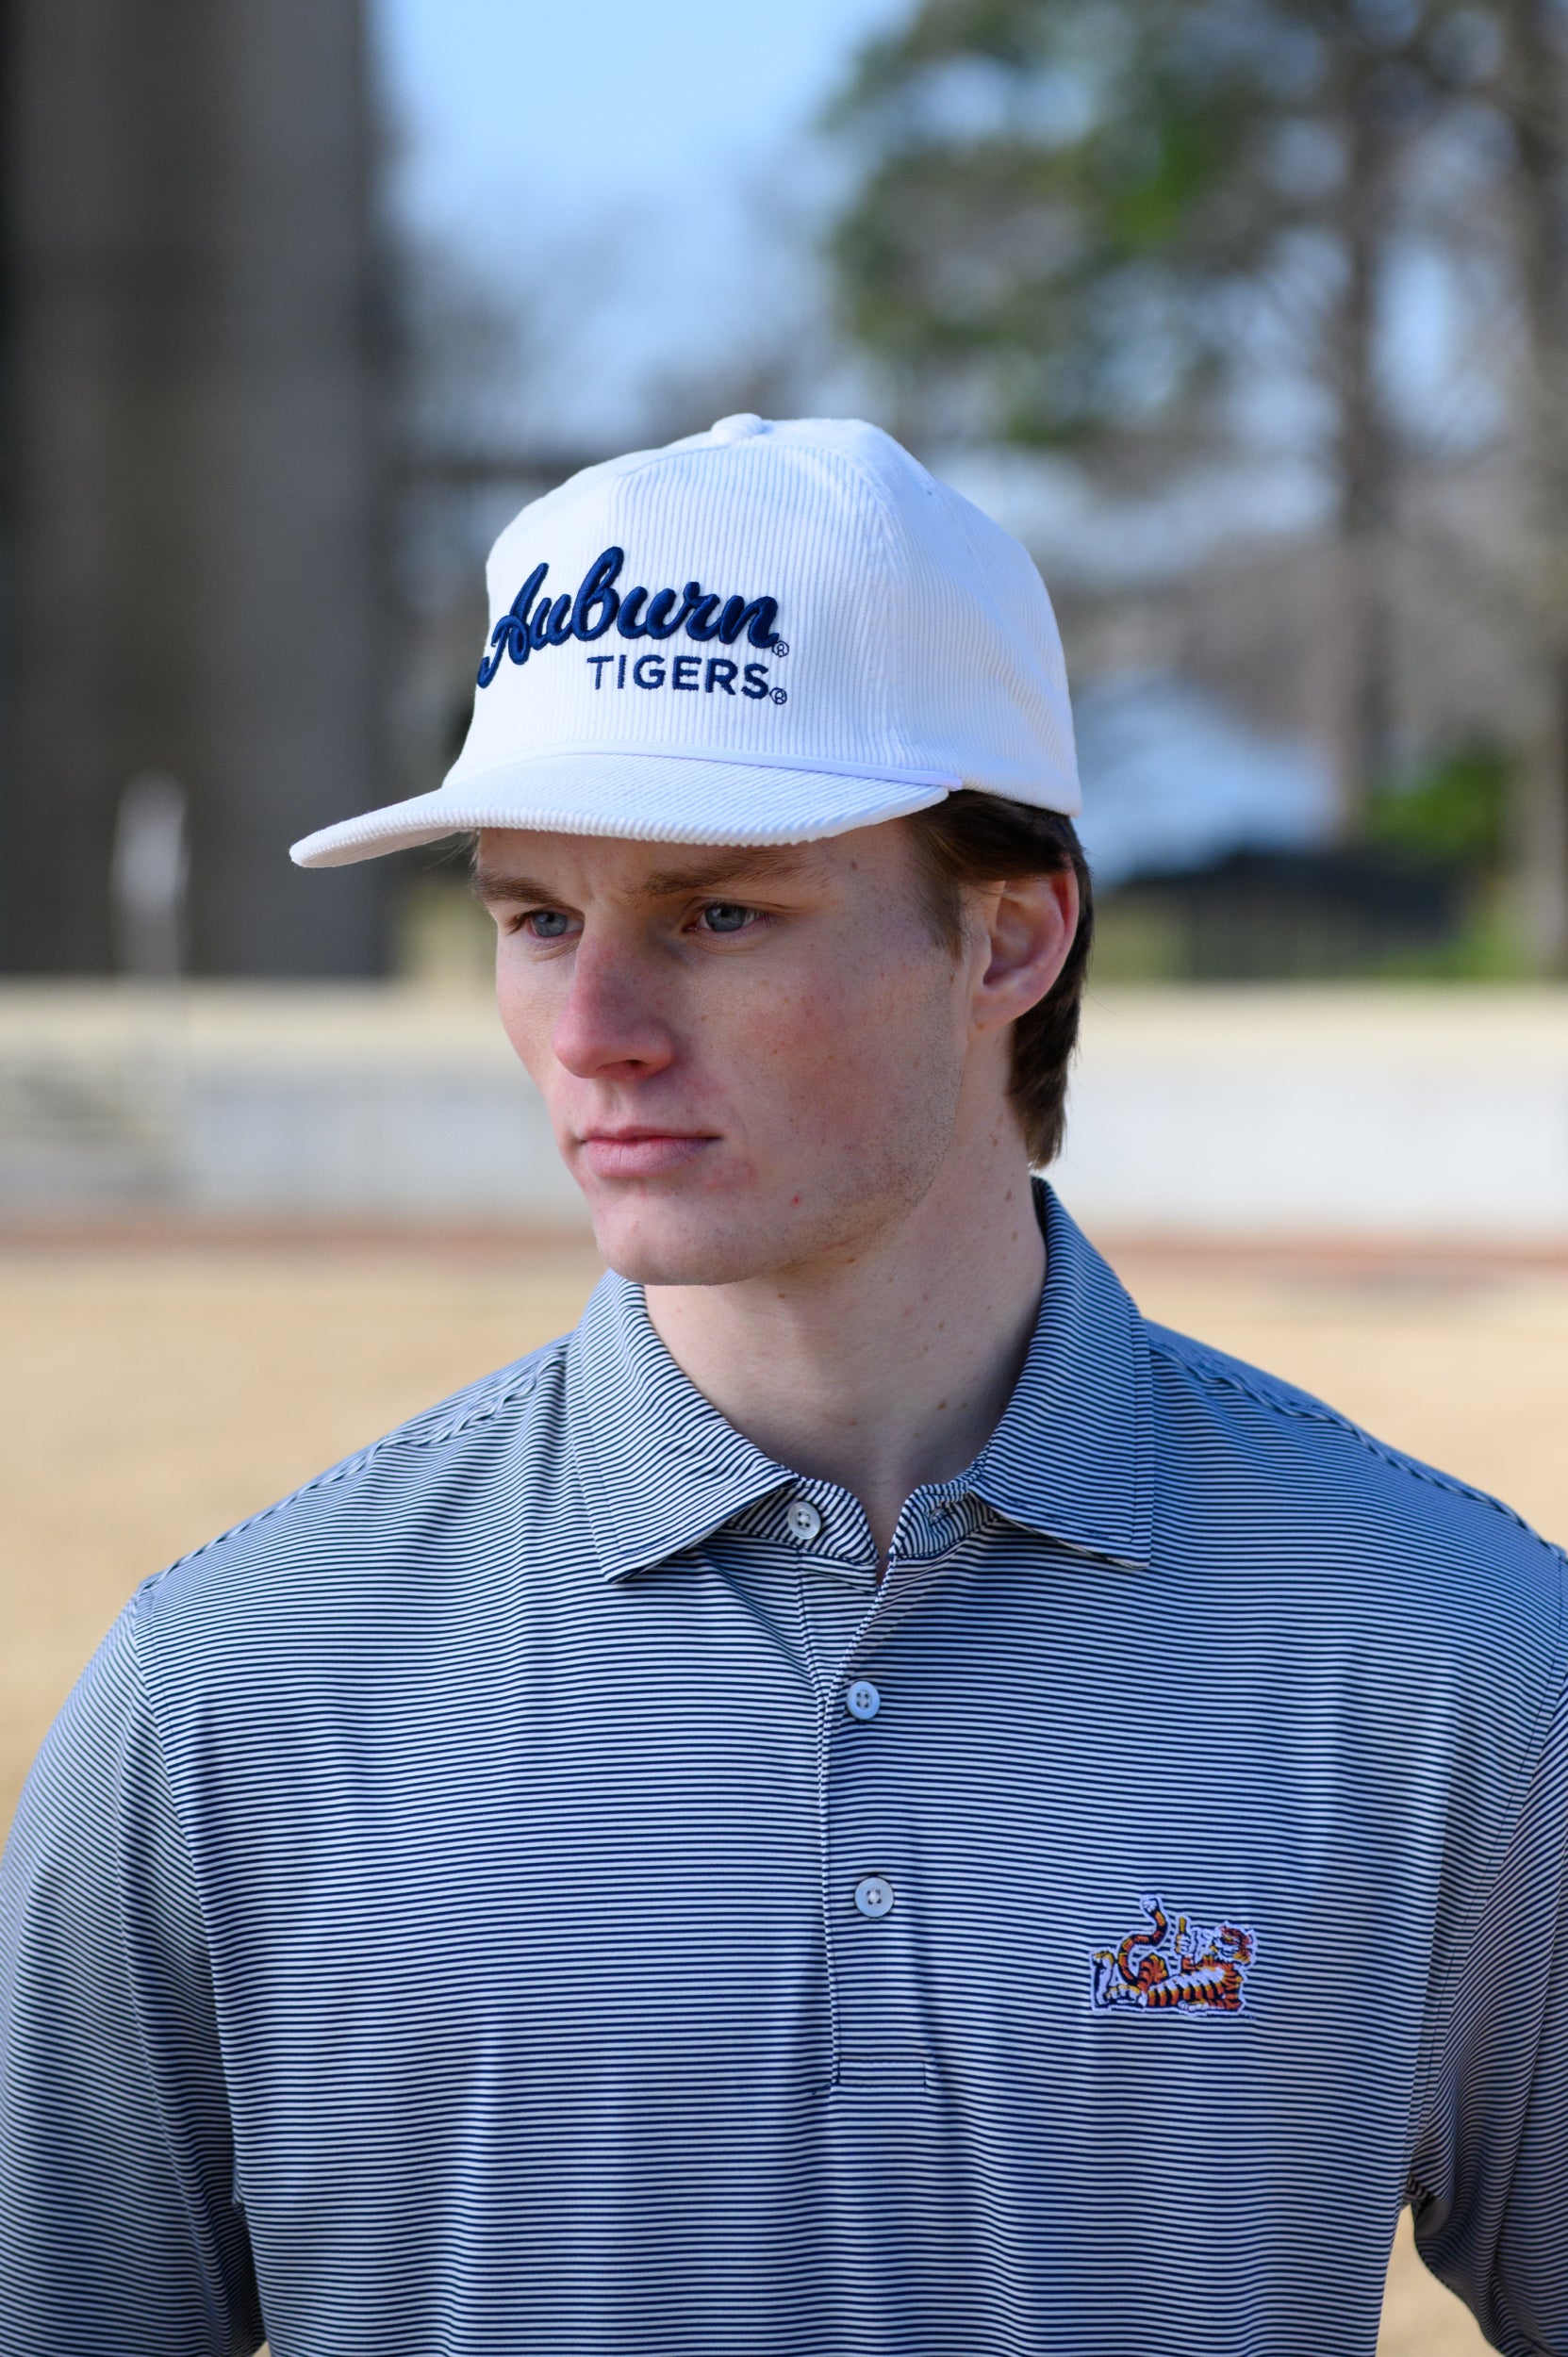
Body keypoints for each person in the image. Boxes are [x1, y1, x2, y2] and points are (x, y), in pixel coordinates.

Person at [2, 414, 1564, 2357]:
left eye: (716, 913)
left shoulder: (1457, 1660)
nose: (591, 1032)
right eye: (535, 916)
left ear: (1010, 930)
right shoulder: (225, 1694)